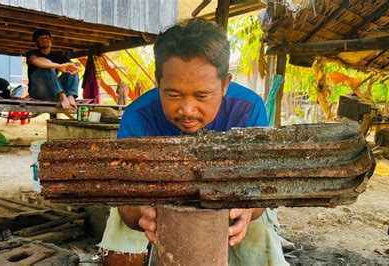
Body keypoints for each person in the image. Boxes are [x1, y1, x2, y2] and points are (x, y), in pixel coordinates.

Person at [99, 19, 288, 266]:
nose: (187, 110)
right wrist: (140, 214)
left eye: (202, 96)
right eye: (173, 94)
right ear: (159, 83)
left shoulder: (248, 109)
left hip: (232, 194)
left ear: (225, 84)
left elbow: (260, 187)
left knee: (258, 246)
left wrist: (248, 210)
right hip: (154, 194)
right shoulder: (139, 116)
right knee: (120, 247)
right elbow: (124, 196)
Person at [26, 29, 81, 109]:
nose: (45, 40)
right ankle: (61, 96)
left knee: (71, 69)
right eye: (41, 38)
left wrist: (73, 66)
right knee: (47, 66)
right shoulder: (32, 53)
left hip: (53, 91)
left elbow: (77, 67)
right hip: (38, 91)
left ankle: (70, 96)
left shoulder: (57, 56)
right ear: (36, 42)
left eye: (47, 38)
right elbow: (35, 60)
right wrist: (58, 66)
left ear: (51, 41)